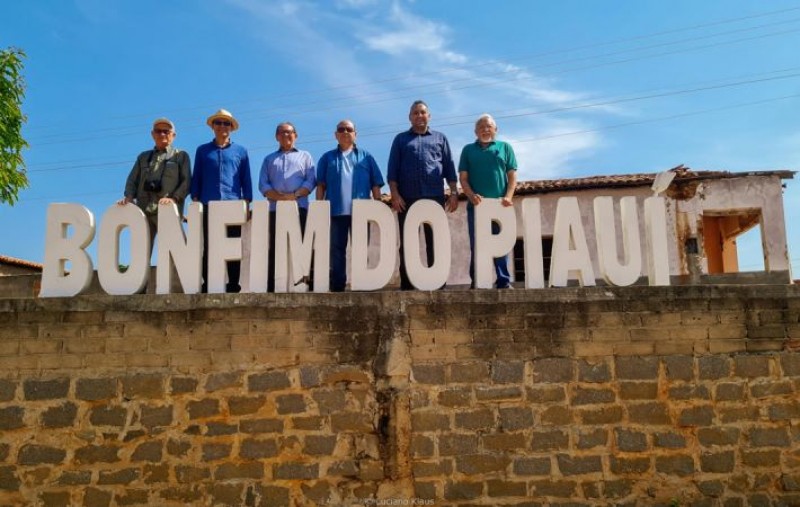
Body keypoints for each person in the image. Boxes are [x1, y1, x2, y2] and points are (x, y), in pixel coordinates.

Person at [387, 100, 458, 290]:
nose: (419, 116)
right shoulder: (400, 140)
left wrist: (453, 193)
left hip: (434, 198)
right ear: (410, 117)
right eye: (415, 113)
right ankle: (408, 286)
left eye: (423, 112)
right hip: (406, 199)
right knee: (408, 243)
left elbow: (450, 169)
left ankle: (438, 284)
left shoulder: (440, 138)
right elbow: (392, 172)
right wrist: (394, 195)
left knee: (435, 241)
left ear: (429, 116)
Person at [316, 119, 385, 292]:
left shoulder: (367, 157)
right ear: (336, 135)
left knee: (361, 248)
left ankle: (362, 284)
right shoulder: (327, 158)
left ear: (355, 134)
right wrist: (319, 209)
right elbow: (321, 185)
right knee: (337, 250)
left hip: (361, 212)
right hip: (336, 212)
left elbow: (376, 183)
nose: (345, 131)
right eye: (341, 129)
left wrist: (379, 209)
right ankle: (338, 286)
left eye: (349, 129)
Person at [190, 109, 253, 293]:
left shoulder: (241, 151)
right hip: (208, 204)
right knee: (209, 245)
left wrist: (247, 203)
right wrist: (195, 199)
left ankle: (233, 283)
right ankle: (208, 282)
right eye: (218, 123)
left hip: (233, 205)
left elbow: (245, 179)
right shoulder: (202, 151)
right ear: (213, 126)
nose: (222, 126)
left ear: (231, 127)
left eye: (226, 123)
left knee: (233, 246)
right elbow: (197, 177)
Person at [458, 113, 517, 289]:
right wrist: (471, 195)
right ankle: (477, 281)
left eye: (489, 126)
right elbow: (463, 178)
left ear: (495, 130)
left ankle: (503, 280)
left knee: (501, 244)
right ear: (475, 131)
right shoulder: (468, 150)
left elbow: (512, 176)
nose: (485, 129)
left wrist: (508, 197)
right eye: (481, 127)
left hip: (500, 206)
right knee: (477, 244)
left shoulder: (505, 147)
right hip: (477, 207)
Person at [118, 118, 191, 253]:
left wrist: (173, 199)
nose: (162, 134)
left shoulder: (181, 156)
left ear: (173, 135)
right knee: (141, 254)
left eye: (166, 131)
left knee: (178, 253)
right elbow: (132, 180)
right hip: (143, 211)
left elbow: (186, 183)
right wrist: (129, 196)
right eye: (158, 131)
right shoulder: (143, 157)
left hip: (168, 211)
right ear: (152, 134)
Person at [259, 122, 316, 291]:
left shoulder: (305, 156)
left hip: (300, 209)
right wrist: (281, 198)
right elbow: (263, 185)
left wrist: (295, 195)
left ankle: (307, 285)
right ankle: (272, 287)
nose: (286, 135)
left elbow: (311, 180)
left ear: (296, 135)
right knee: (275, 248)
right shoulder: (268, 159)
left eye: (290, 132)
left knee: (303, 247)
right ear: (276, 136)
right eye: (282, 133)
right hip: (275, 211)